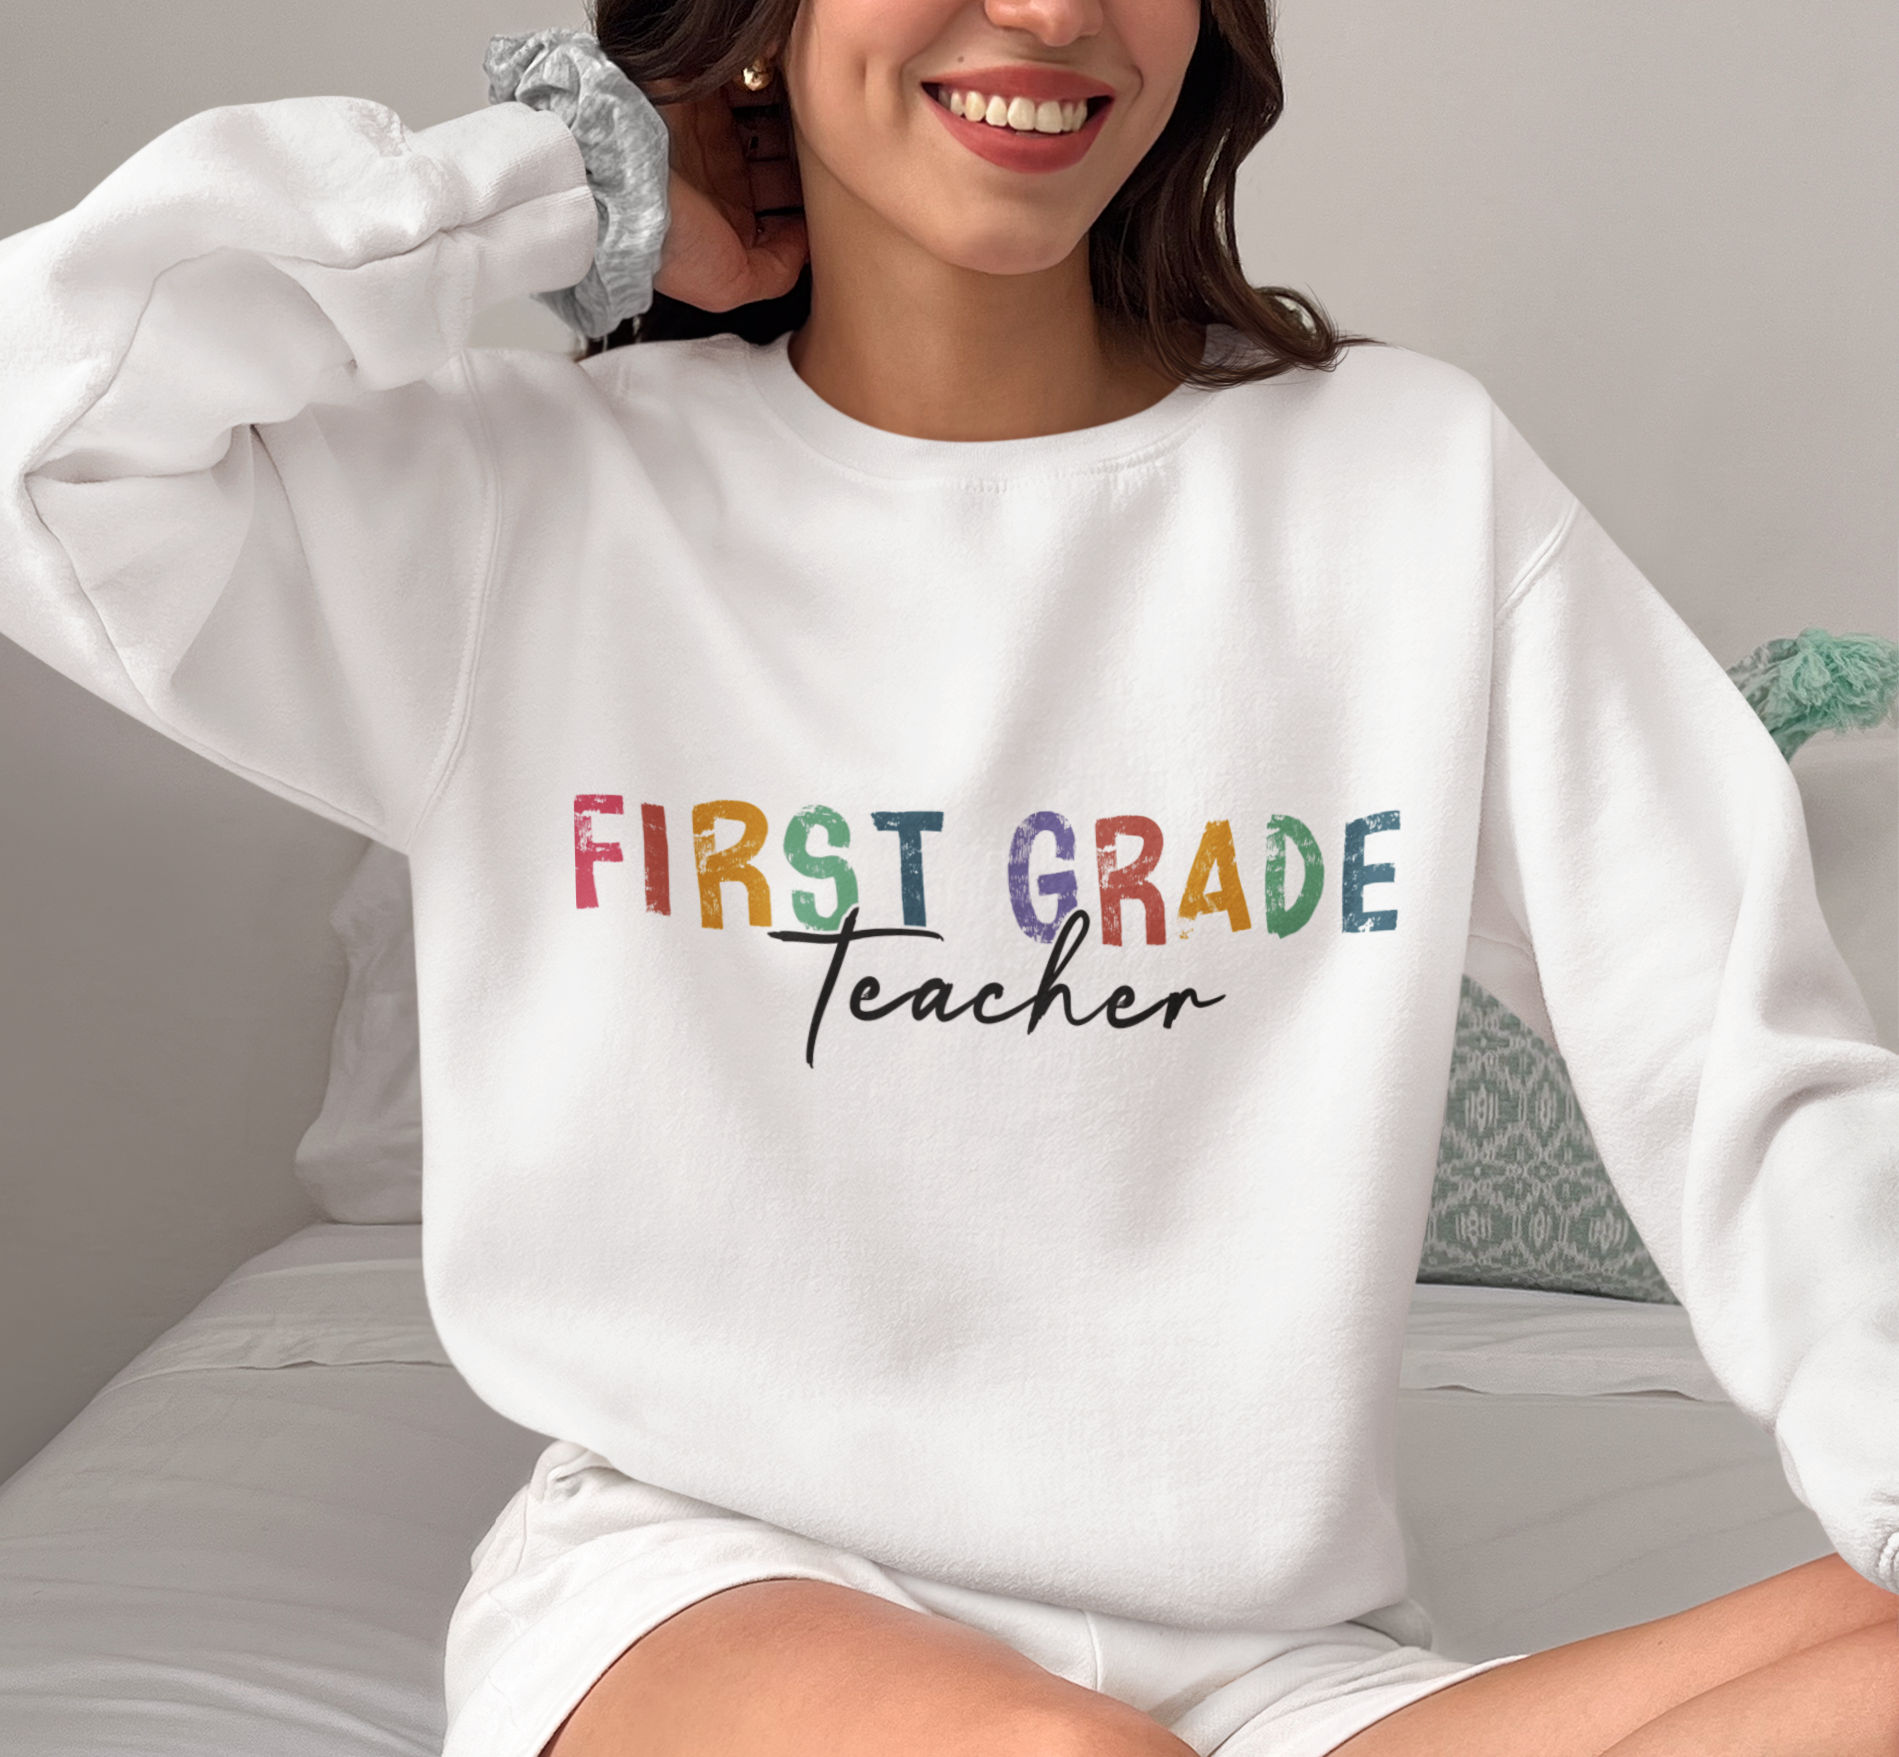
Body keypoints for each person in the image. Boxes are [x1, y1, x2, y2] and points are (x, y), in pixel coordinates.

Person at [2, 0, 1896, 1752]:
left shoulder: (1408, 487)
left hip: (1284, 1671)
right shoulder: (523, 505)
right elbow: (41, 421)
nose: (1056, 17)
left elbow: (1748, 1066)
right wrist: (566, 184)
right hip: (718, 1598)